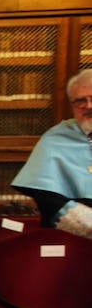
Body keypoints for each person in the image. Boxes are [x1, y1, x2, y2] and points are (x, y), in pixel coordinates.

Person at [12, 69, 92, 238]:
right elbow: (47, 198)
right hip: (72, 236)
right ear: (72, 105)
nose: (88, 106)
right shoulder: (55, 138)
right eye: (80, 101)